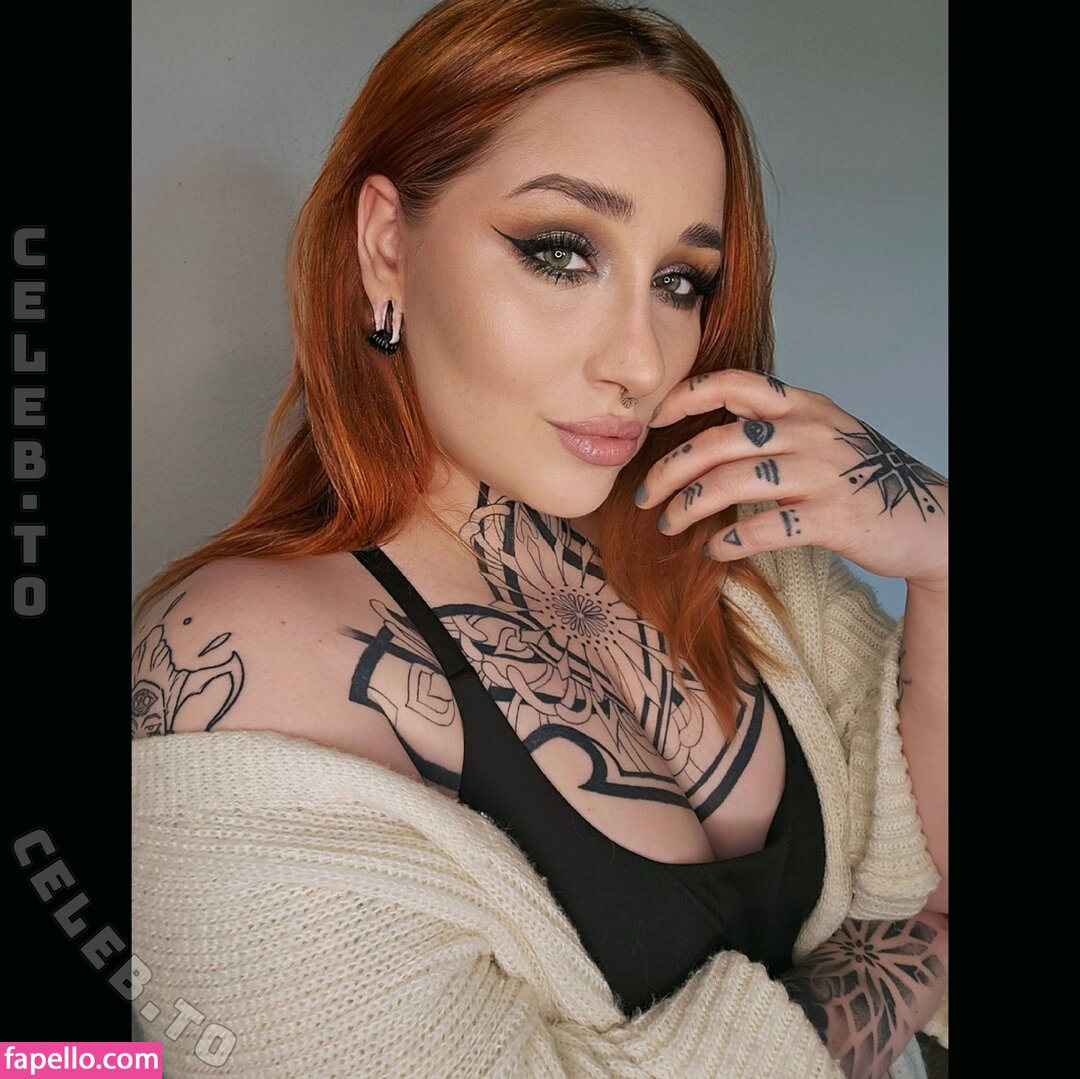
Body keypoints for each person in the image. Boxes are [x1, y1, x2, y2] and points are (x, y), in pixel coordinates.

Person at [130, 1, 947, 1076]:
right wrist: (920, 955)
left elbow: (933, 857)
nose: (641, 361)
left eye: (680, 281)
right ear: (387, 247)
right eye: (562, 254)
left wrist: (942, 557)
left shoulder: (743, 555)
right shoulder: (232, 662)